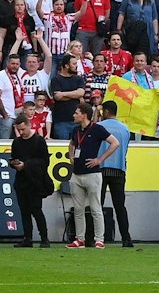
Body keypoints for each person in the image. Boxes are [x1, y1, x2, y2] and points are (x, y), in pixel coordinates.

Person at [65, 100, 116, 249]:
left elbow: (115, 143)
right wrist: (71, 155)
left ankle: (99, 239)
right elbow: (72, 143)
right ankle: (79, 238)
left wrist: (100, 159)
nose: (74, 115)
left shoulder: (97, 129)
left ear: (84, 115)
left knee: (95, 208)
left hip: (92, 174)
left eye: (76, 113)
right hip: (77, 174)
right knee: (78, 208)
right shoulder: (76, 130)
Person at [9, 113, 54, 247]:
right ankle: (27, 238)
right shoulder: (16, 142)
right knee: (24, 212)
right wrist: (13, 163)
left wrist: (26, 165)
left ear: (29, 126)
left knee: (36, 210)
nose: (21, 132)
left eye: (23, 129)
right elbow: (13, 158)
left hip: (35, 182)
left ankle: (44, 238)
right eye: (19, 130)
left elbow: (45, 161)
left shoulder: (39, 141)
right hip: (21, 181)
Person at [97, 99, 135, 248]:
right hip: (119, 168)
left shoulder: (99, 126)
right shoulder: (125, 128)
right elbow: (125, 148)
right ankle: (126, 238)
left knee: (96, 205)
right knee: (120, 206)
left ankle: (93, 237)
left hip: (101, 168)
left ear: (105, 112)